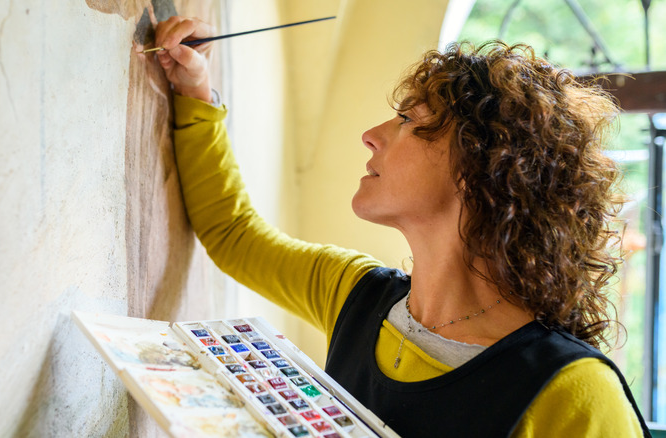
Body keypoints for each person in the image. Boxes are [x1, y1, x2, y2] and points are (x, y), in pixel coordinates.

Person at [145, 15, 651, 437]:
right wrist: (196, 94)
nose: (371, 135)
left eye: (409, 119)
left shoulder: (574, 393)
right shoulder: (352, 294)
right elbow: (234, 235)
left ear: (481, 167)